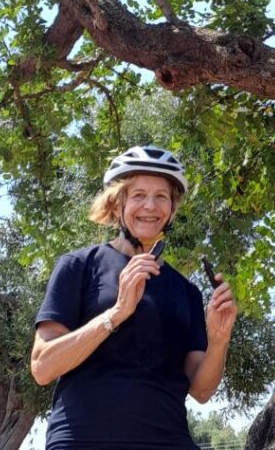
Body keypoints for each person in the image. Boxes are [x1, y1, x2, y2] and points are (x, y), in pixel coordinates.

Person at [31, 146, 238, 449]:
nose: (150, 206)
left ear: (172, 209)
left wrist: (219, 339)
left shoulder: (187, 292)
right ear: (118, 204)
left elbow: (202, 391)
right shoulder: (79, 266)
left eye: (161, 196)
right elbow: (42, 367)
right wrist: (117, 312)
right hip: (83, 440)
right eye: (139, 195)